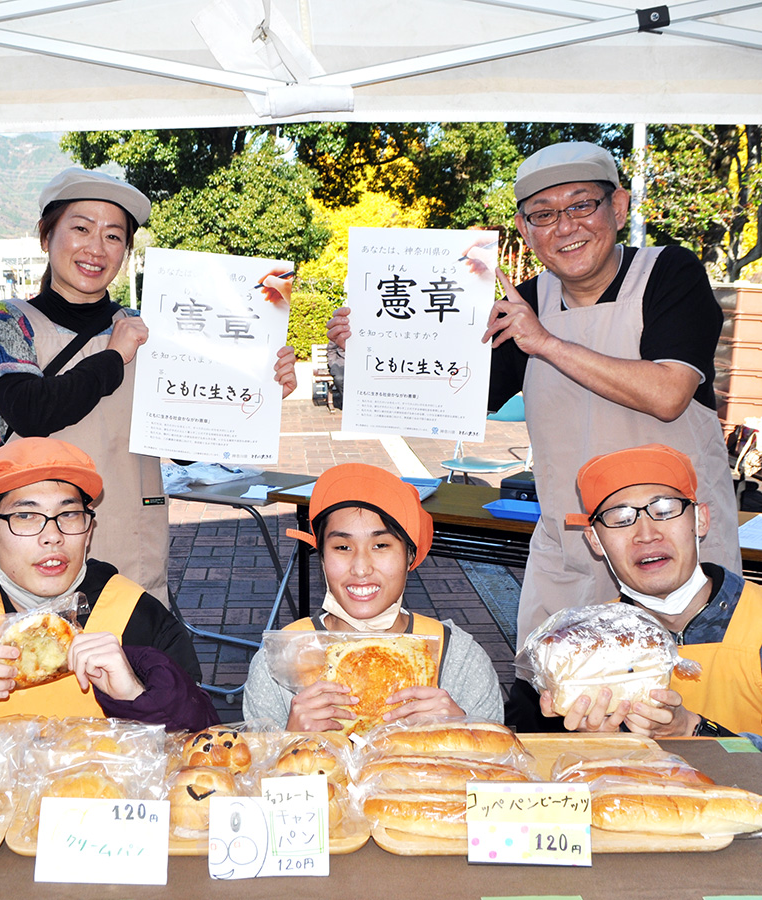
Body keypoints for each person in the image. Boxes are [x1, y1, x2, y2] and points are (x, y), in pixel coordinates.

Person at [328, 141, 740, 649]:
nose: (565, 227)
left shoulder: (669, 274)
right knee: (552, 705)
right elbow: (449, 393)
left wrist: (545, 343)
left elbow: (670, 392)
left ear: (619, 206)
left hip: (671, 552)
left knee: (681, 709)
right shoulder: (523, 303)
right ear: (525, 231)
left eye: (581, 204)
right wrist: (361, 351)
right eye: (543, 215)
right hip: (572, 552)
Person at [0, 167, 298, 601]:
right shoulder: (5, 320)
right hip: (39, 538)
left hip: (130, 535)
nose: (96, 247)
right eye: (81, 228)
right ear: (45, 235)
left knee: (135, 661)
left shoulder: (150, 328)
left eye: (114, 236)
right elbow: (31, 411)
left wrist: (258, 392)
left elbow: (185, 444)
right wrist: (115, 356)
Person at [0, 437, 220, 735]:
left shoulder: (137, 614)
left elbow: (203, 737)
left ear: (89, 529)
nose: (53, 536)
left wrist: (138, 695)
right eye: (25, 516)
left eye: (69, 514)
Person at [511, 443, 761, 750]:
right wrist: (589, 746)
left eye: (665, 511)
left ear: (700, 520)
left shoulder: (756, 619)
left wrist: (691, 729)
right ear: (595, 541)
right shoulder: (574, 651)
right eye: (620, 519)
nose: (646, 534)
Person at [242, 463, 503, 730]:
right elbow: (252, 765)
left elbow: (505, 764)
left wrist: (464, 730)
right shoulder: (279, 661)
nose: (361, 568)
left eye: (381, 545)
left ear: (410, 555)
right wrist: (289, 740)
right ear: (321, 556)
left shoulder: (458, 660)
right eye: (342, 547)